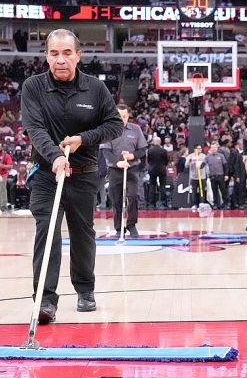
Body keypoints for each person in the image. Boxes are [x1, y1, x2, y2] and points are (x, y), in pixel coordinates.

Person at [20, 28, 122, 324]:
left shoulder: (95, 89)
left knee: (82, 234)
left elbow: (114, 125)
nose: (60, 59)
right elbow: (34, 128)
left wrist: (83, 138)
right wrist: (54, 157)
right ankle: (45, 300)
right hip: (45, 174)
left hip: (84, 174)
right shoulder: (33, 87)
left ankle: (85, 290)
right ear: (46, 56)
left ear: (79, 55)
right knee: (47, 232)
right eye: (54, 53)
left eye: (67, 53)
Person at [106, 103, 148, 237]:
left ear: (128, 116)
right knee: (116, 199)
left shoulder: (136, 130)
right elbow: (105, 151)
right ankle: (119, 228)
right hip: (115, 170)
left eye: (124, 116)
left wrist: (132, 155)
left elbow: (142, 149)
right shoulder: (109, 129)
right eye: (119, 116)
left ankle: (131, 224)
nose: (121, 119)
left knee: (133, 196)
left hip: (132, 169)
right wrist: (116, 162)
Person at [146, 136, 169, 209]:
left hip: (152, 169)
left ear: (153, 142)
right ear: (160, 142)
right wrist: (163, 165)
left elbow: (149, 160)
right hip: (162, 169)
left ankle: (151, 204)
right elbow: (166, 161)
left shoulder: (149, 150)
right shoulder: (164, 151)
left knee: (152, 186)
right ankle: (163, 204)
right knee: (162, 186)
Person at [205, 142, 228, 209]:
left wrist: (226, 175)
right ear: (210, 149)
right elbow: (204, 163)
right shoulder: (208, 156)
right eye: (212, 148)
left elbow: (225, 165)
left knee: (223, 190)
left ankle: (225, 203)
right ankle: (215, 204)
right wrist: (199, 165)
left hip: (220, 175)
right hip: (212, 176)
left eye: (215, 148)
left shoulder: (221, 156)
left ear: (217, 148)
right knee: (214, 191)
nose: (214, 149)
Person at [186, 144, 208, 208]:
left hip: (202, 176)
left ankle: (202, 203)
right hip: (194, 177)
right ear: (195, 149)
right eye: (198, 148)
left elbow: (206, 166)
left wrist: (207, 174)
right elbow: (186, 165)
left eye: (200, 148)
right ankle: (194, 204)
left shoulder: (204, 156)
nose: (200, 150)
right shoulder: (191, 156)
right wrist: (190, 161)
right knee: (194, 192)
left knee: (202, 191)